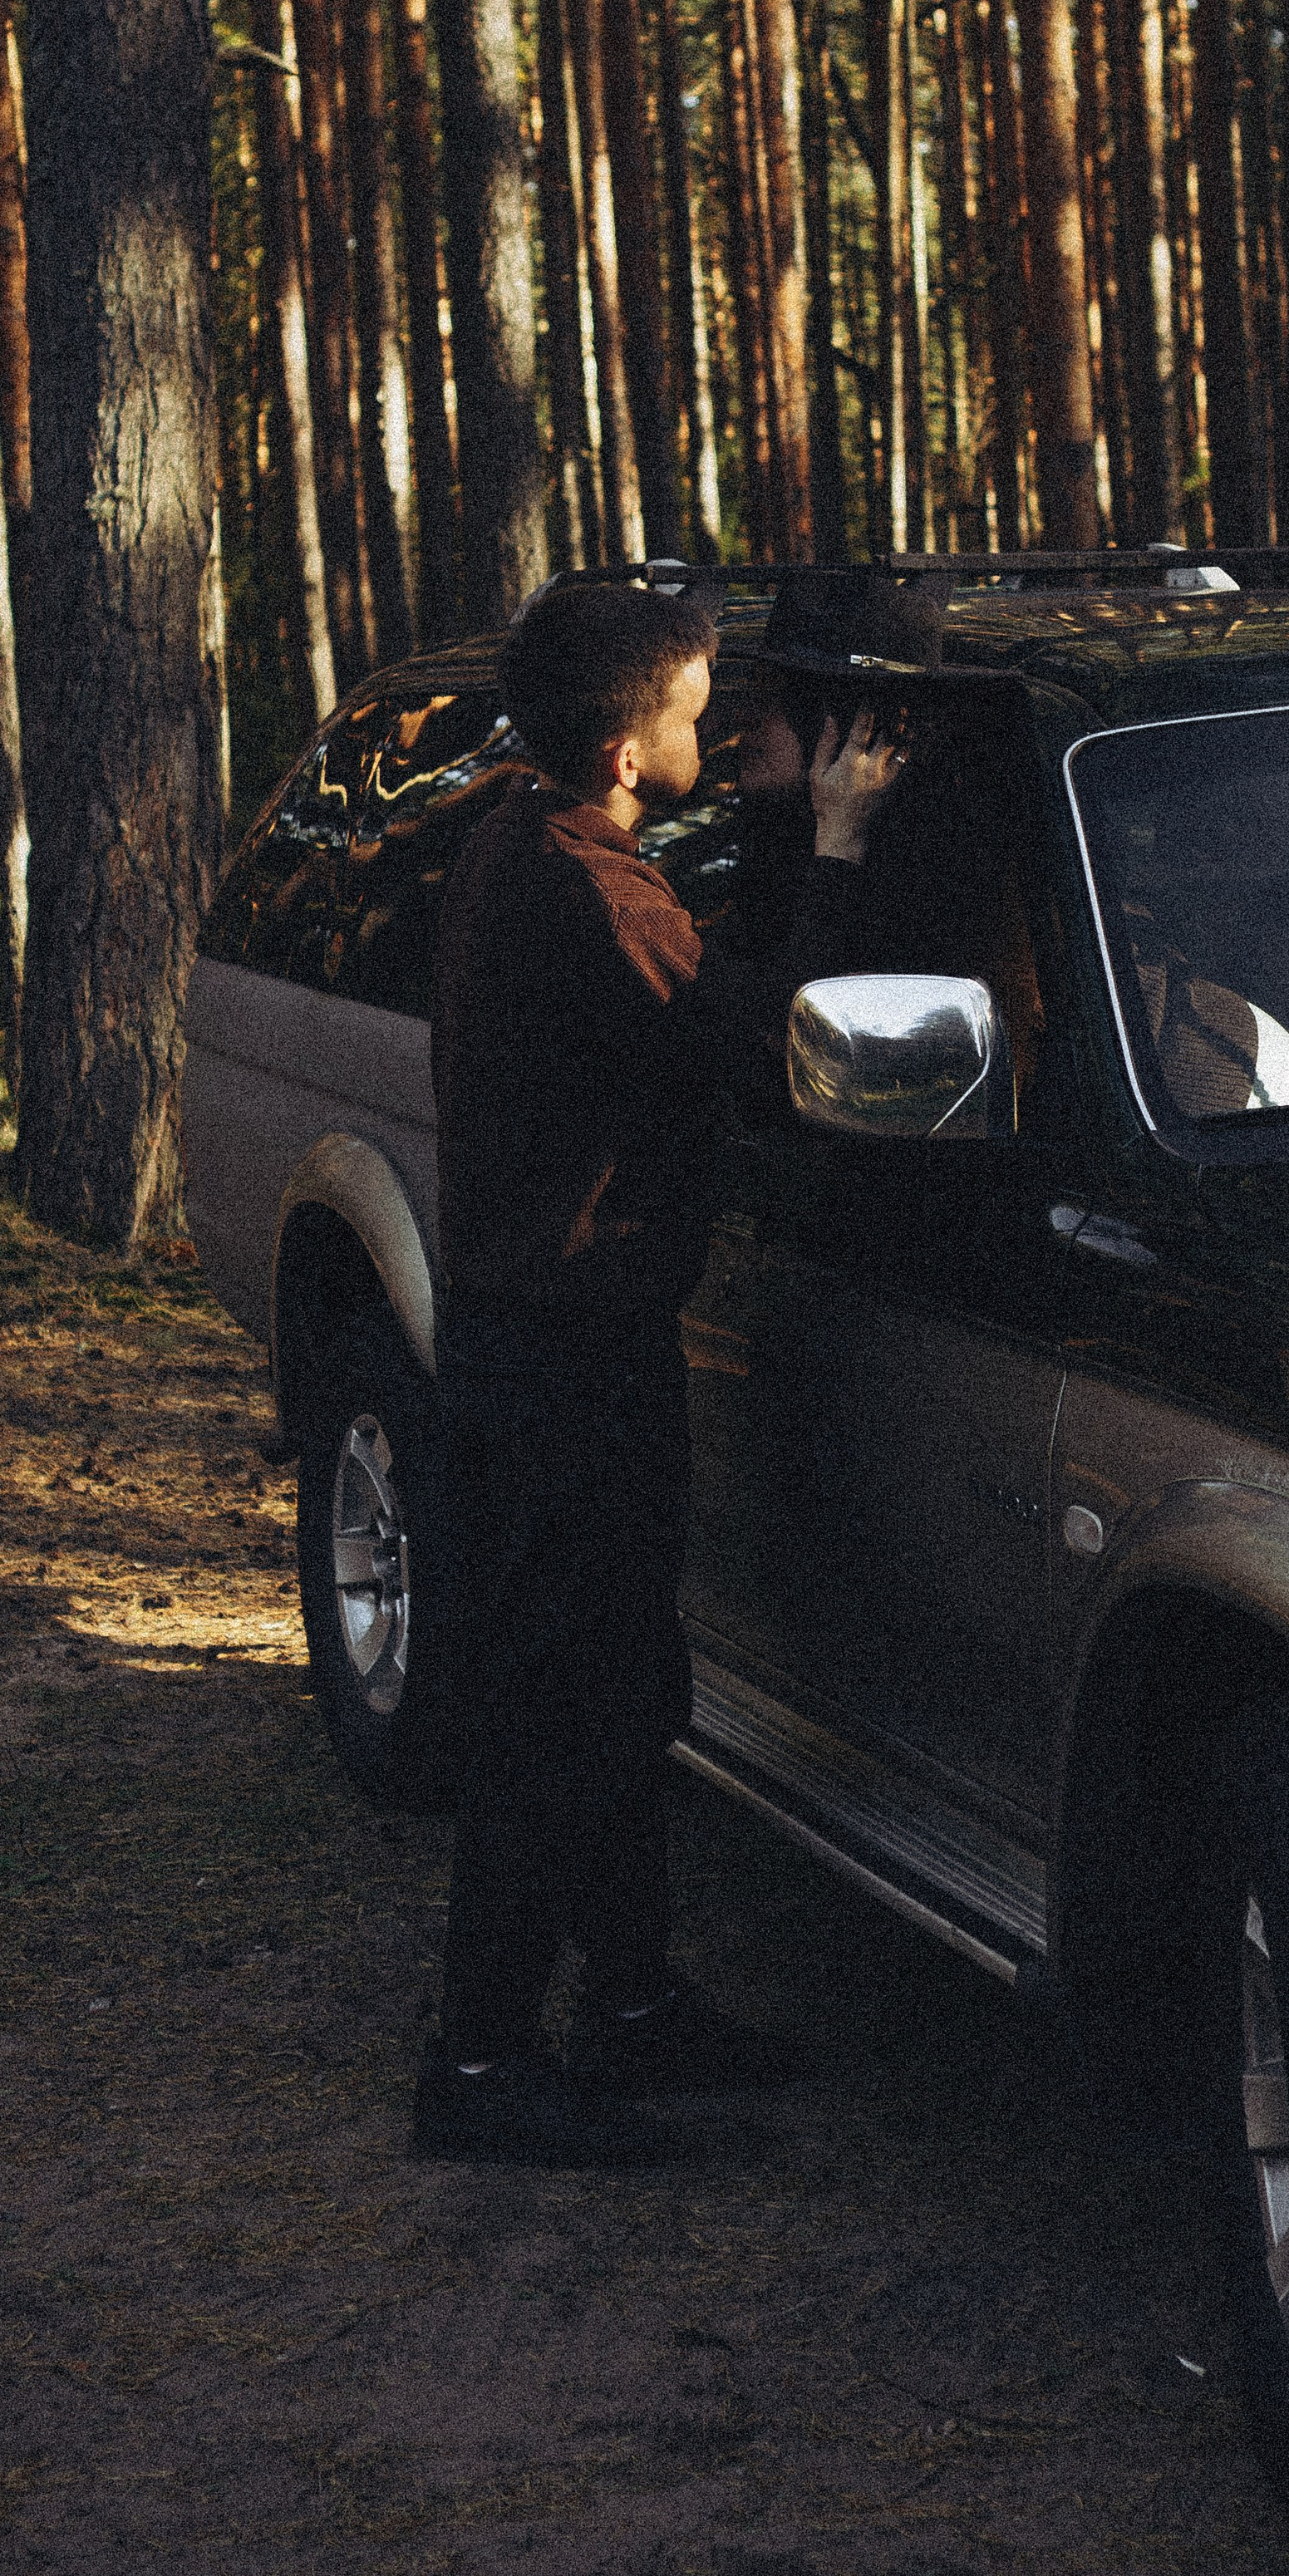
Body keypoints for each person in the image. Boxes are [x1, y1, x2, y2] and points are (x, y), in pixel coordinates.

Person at [414, 577, 907, 2167]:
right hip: (562, 1362)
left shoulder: (532, 837)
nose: (725, 729)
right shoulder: (586, 893)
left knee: (618, 1688)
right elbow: (776, 1044)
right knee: (558, 1711)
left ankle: (627, 2010)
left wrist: (768, 829)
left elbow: (693, 988)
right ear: (630, 751)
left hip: (547, 1346)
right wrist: (828, 843)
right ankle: (481, 2069)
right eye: (703, 713)